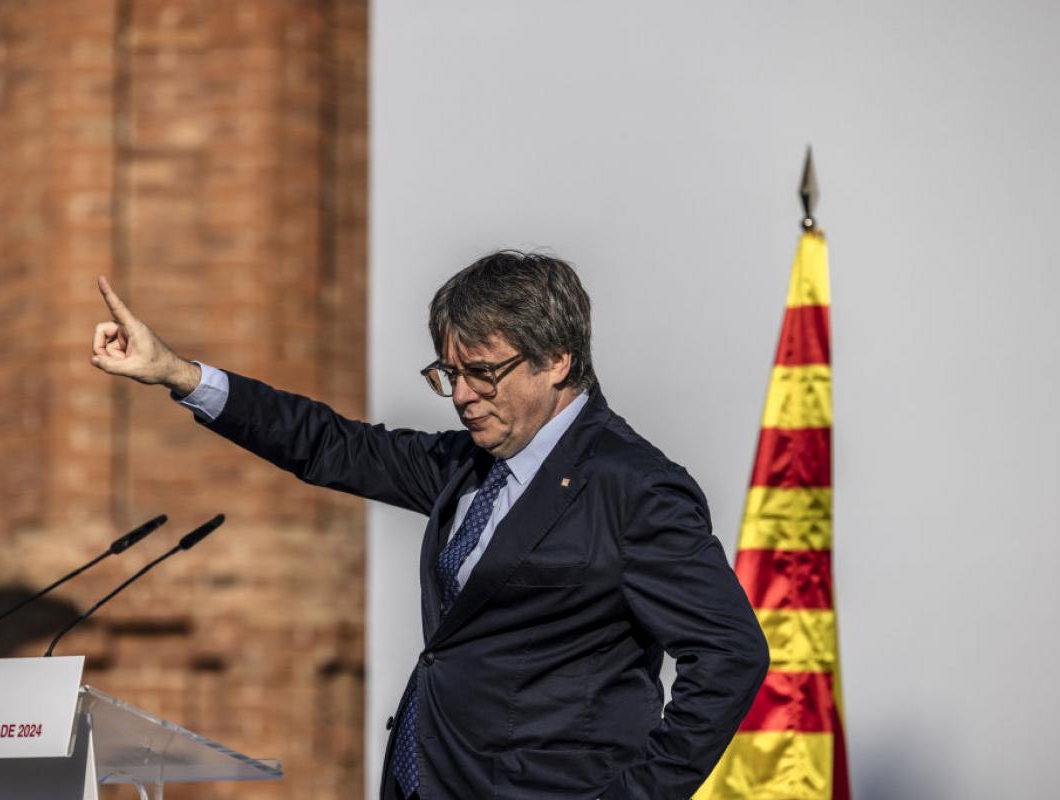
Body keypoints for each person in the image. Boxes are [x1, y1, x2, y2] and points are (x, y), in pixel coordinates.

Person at [91, 251, 769, 800]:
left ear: (557, 359)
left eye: (483, 373)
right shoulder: (469, 465)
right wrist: (179, 374)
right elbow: (330, 445)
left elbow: (731, 655)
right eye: (449, 374)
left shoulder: (631, 487)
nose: (464, 397)